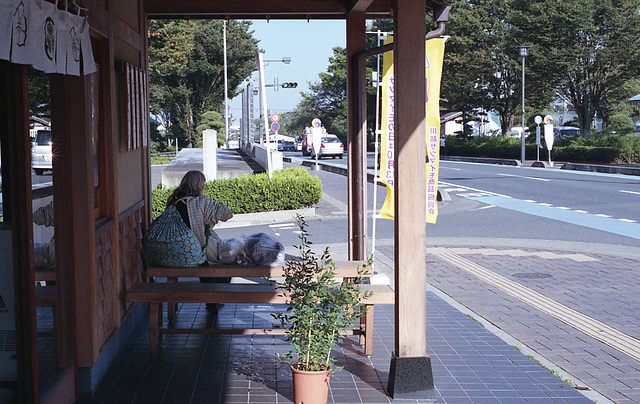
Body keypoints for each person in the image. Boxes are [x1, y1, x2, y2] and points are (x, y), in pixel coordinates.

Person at [166, 170, 233, 314]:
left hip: (174, 251)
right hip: (196, 250)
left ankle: (211, 300)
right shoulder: (201, 201)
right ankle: (214, 299)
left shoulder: (172, 200)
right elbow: (227, 214)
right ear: (199, 184)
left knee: (203, 260)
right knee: (225, 259)